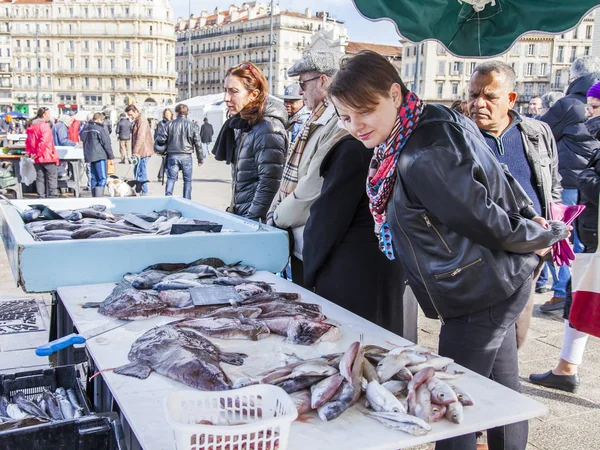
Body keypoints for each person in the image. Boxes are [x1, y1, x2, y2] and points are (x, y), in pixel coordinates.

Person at [328, 51, 569, 450]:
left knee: (450, 402)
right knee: (502, 392)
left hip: (478, 289)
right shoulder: (427, 121)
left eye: (364, 111)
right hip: (493, 280)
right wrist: (533, 230)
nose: (354, 126)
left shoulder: (421, 151)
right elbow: (496, 185)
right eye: (344, 116)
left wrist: (539, 235)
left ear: (393, 93)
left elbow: (483, 217)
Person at [467, 61, 563, 349]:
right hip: (481, 256)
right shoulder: (460, 138)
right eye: (473, 95)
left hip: (530, 253)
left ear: (510, 99)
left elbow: (552, 184)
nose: (478, 103)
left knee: (517, 337)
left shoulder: (537, 132)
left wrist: (550, 230)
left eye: (490, 96)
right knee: (481, 341)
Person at [266, 50, 347, 284]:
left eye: (303, 83)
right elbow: (287, 179)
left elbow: (310, 190)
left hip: (312, 242)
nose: (300, 91)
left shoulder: (337, 123)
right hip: (299, 239)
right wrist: (274, 211)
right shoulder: (313, 119)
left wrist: (277, 216)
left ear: (323, 80)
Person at [540, 56, 600, 312]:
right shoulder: (589, 102)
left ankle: (561, 292)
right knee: (584, 241)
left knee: (561, 237)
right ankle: (577, 293)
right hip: (589, 182)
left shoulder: (567, 104)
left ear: (574, 77)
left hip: (569, 181)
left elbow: (541, 130)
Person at [213, 62, 286, 220]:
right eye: (226, 91)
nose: (226, 98)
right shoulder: (244, 124)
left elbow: (270, 183)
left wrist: (251, 221)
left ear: (253, 95)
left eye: (234, 92)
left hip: (255, 220)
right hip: (242, 213)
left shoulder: (268, 127)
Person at [159, 104, 203, 199]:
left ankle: (168, 198)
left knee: (171, 178)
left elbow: (161, 139)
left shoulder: (169, 124)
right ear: (187, 113)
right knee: (187, 180)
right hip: (186, 155)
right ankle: (187, 200)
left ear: (176, 112)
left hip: (173, 154)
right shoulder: (192, 125)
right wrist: (200, 158)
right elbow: (198, 143)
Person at [25, 107, 60, 198]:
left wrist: (31, 153)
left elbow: (28, 141)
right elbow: (44, 141)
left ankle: (41, 196)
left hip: (37, 157)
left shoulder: (31, 125)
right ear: (44, 115)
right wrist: (38, 153)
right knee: (51, 177)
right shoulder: (44, 125)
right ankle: (53, 197)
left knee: (40, 178)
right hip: (47, 155)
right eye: (48, 114)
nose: (49, 116)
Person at [81, 112, 114, 197]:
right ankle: (99, 197)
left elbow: (82, 138)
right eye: (102, 120)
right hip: (100, 155)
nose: (103, 122)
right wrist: (111, 156)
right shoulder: (100, 128)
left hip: (89, 155)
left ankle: (94, 196)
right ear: (99, 119)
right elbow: (106, 143)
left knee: (93, 177)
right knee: (102, 178)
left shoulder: (86, 127)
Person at [125, 105, 153, 196]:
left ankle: (144, 192)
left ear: (136, 111)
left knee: (141, 172)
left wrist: (135, 152)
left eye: (131, 114)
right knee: (138, 172)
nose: (130, 117)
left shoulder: (142, 121)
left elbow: (141, 137)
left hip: (143, 151)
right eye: (128, 115)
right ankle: (139, 191)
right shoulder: (137, 121)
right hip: (140, 151)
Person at [155, 108, 173, 183]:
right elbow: (159, 134)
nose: (167, 115)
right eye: (166, 113)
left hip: (172, 144)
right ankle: (162, 176)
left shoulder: (173, 122)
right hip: (164, 144)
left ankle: (161, 175)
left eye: (168, 113)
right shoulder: (161, 123)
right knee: (165, 160)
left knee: (168, 160)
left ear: (171, 114)